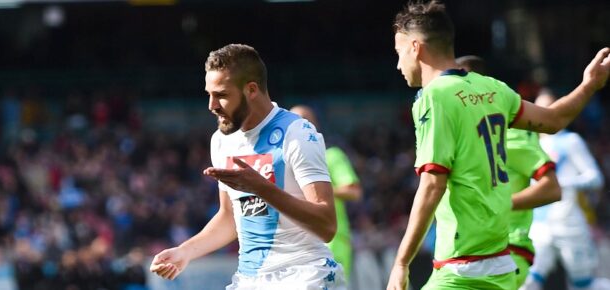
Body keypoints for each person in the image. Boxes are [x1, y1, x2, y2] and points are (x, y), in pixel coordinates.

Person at [386, 1, 610, 289]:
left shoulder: (434, 97)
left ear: (415, 48)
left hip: (463, 265)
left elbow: (432, 184)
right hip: (500, 263)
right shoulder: (493, 88)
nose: (397, 63)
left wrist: (401, 262)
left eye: (399, 52)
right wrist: (589, 84)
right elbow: (554, 119)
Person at [149, 44, 346, 289]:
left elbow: (326, 226)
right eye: (208, 94)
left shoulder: (297, 133)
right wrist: (185, 252)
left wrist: (262, 188)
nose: (212, 105)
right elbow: (230, 217)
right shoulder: (222, 141)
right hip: (250, 278)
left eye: (221, 94)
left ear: (251, 89)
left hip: (304, 274)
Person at [456, 55, 562, 289]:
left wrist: (499, 204)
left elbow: (551, 189)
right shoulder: (463, 136)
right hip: (470, 254)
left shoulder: (508, 132)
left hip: (505, 253)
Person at [522, 90, 610, 290]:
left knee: (582, 284)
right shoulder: (531, 143)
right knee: (528, 282)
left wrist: (563, 183)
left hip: (569, 223)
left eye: (548, 106)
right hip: (539, 225)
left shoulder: (571, 141)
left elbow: (594, 178)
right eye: (539, 108)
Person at [290, 104, 364, 283]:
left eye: (304, 121)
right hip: (298, 245)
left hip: (332, 242)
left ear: (314, 126)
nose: (298, 126)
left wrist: (315, 187)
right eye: (293, 122)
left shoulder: (331, 155)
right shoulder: (286, 161)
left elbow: (354, 192)